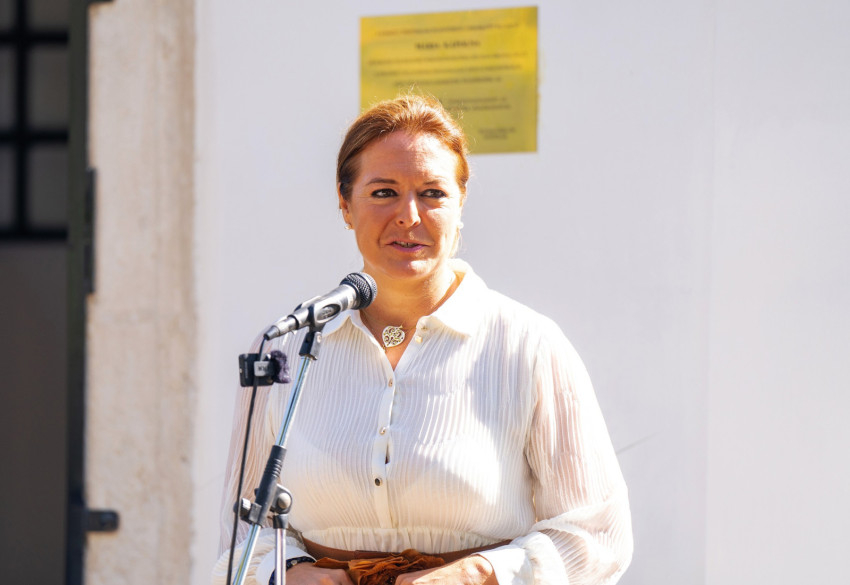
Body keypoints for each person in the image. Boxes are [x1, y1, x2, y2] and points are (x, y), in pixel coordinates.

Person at [213, 95, 633, 585]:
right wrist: (289, 571)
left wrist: (479, 574)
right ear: (345, 205)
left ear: (460, 206)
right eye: (383, 192)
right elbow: (242, 530)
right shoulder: (287, 348)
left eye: (432, 193)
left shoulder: (529, 346)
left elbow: (596, 535)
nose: (409, 216)